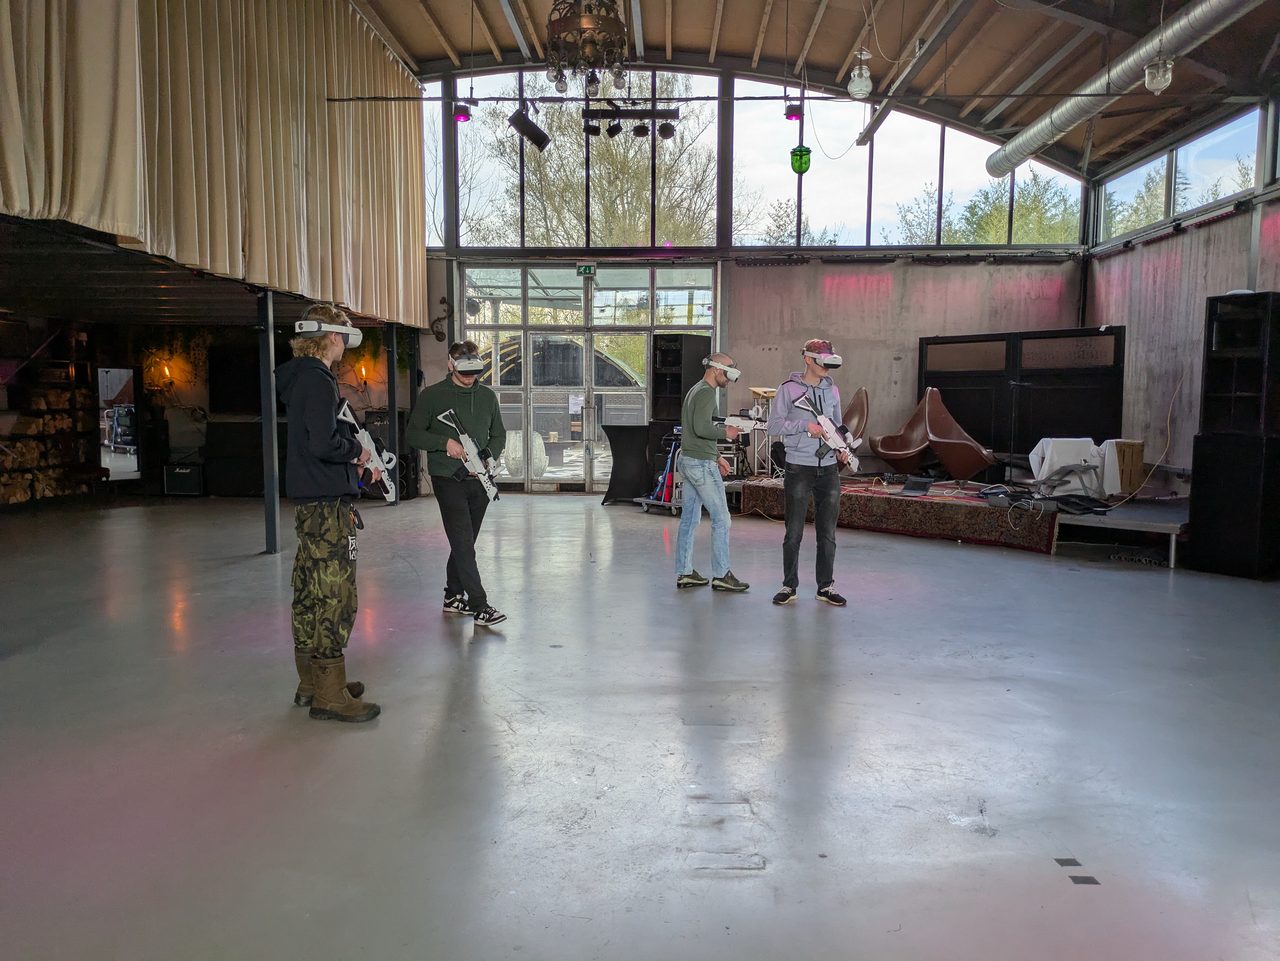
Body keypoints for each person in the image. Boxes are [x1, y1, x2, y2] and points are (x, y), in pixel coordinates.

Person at [276, 305, 381, 722]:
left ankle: (313, 683)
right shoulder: (318, 380)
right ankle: (330, 695)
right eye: (344, 335)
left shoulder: (298, 377)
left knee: (308, 590)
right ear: (333, 337)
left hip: (310, 501)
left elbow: (313, 439)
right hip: (327, 506)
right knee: (335, 594)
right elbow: (323, 443)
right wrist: (358, 452)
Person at [406, 341, 508, 625]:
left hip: (481, 480)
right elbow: (413, 434)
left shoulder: (487, 396)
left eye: (474, 372)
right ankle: (480, 605)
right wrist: (444, 443)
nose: (470, 378)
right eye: (464, 372)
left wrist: (488, 456)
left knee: (465, 542)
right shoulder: (432, 396)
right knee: (463, 542)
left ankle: (453, 596)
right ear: (450, 365)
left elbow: (499, 434)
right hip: (448, 478)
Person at [767, 338, 851, 607]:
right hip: (798, 467)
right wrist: (805, 427)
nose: (826, 367)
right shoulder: (788, 389)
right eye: (822, 361)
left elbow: (838, 426)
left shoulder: (833, 391)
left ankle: (825, 587)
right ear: (807, 359)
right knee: (793, 532)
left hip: (829, 468)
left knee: (827, 533)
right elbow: (773, 426)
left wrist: (843, 448)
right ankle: (789, 585)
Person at [675, 352, 749, 593]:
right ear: (716, 369)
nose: (728, 377)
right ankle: (722, 574)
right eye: (727, 371)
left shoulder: (695, 390)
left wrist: (717, 457)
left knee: (689, 520)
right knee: (722, 519)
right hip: (700, 465)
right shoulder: (707, 393)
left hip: (690, 460)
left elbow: (694, 431)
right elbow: (701, 428)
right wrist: (727, 433)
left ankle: (685, 572)